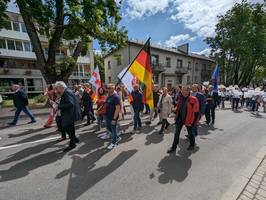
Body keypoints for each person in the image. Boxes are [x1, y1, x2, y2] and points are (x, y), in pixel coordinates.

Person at [167, 86, 199, 153]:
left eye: (185, 90)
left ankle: (192, 144)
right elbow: (178, 107)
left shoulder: (194, 99)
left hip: (189, 120)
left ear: (188, 91)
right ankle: (173, 147)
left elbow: (196, 112)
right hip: (180, 118)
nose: (183, 92)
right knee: (176, 133)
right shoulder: (180, 98)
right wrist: (174, 110)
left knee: (190, 133)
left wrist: (193, 123)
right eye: (182, 90)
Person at [55, 81, 81, 152]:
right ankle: (74, 139)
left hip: (70, 114)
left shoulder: (67, 92)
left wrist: (59, 106)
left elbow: (70, 104)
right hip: (70, 114)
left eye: (57, 88)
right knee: (70, 128)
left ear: (61, 87)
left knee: (66, 127)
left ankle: (72, 144)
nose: (56, 90)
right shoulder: (67, 91)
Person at [105, 83, 121, 150]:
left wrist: (114, 119)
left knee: (114, 130)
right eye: (107, 88)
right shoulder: (108, 96)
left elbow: (117, 109)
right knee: (109, 128)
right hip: (108, 116)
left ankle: (114, 143)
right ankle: (117, 137)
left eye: (109, 88)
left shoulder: (116, 97)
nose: (108, 89)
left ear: (113, 88)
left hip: (113, 117)